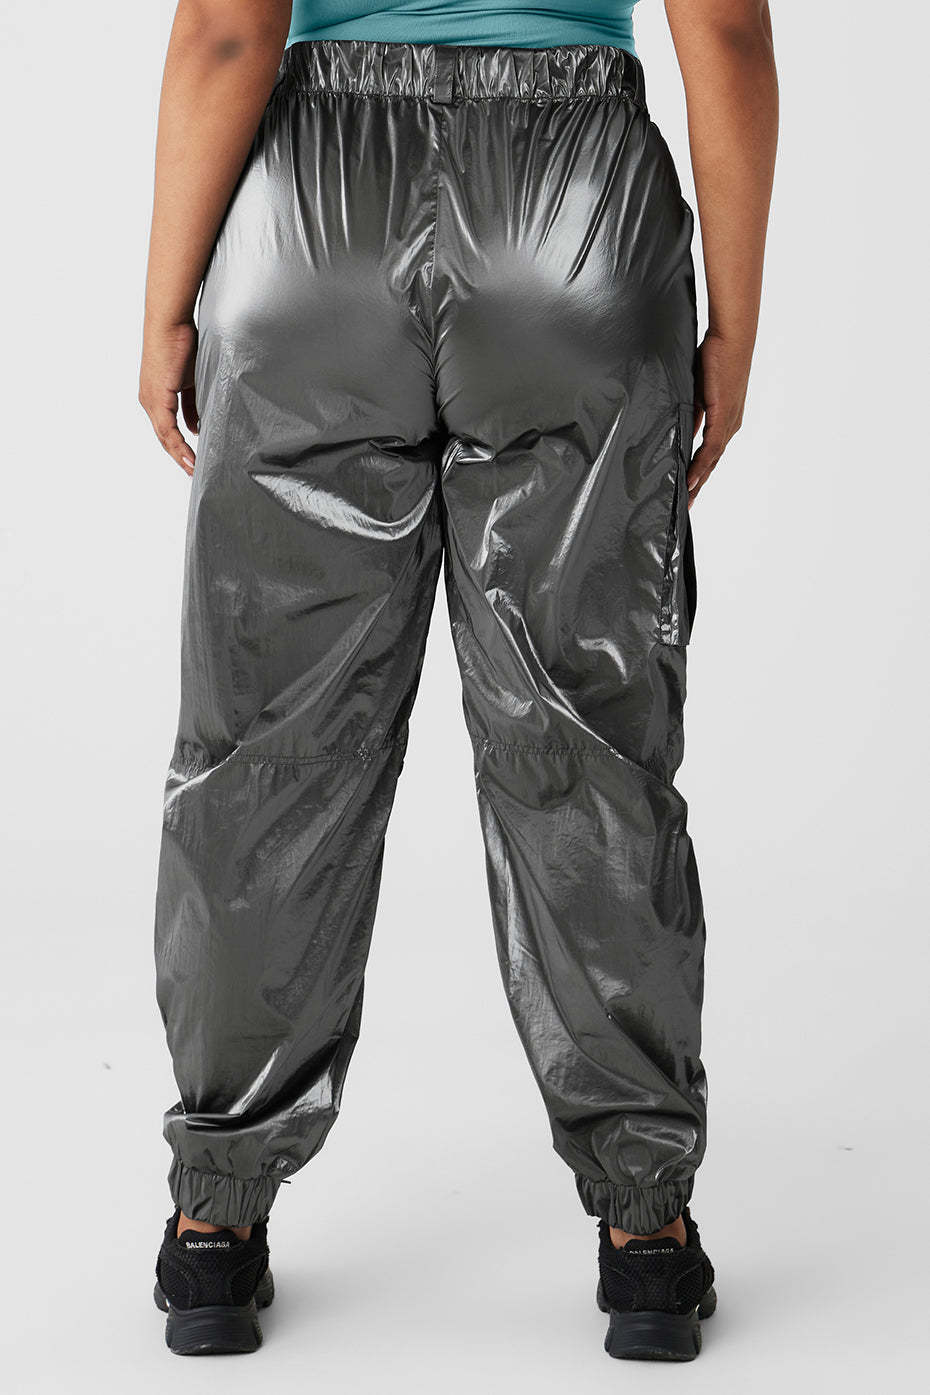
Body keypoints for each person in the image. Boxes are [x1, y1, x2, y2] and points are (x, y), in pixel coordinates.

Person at [139, 0, 777, 1362]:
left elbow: (227, 34)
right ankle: (646, 1234)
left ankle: (215, 1220)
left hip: (313, 227)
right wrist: (731, 321)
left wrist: (167, 304)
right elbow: (722, 30)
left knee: (268, 743)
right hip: (574, 218)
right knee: (588, 738)